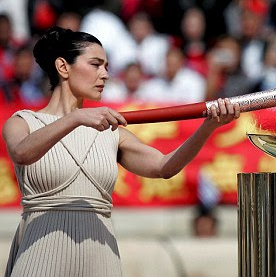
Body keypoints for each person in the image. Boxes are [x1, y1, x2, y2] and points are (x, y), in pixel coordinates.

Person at [1, 26, 240, 277]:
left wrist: (208, 127)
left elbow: (164, 167)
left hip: (99, 255)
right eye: (95, 64)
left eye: (106, 66)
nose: (105, 74)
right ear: (63, 67)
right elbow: (22, 153)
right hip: (41, 252)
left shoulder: (110, 132)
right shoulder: (23, 122)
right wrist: (76, 118)